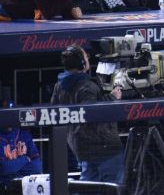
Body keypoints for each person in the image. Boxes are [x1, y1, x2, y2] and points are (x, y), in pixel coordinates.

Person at [50, 45, 124, 184]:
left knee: (88, 188)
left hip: (81, 148)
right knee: (113, 188)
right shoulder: (86, 86)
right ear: (81, 63)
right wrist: (112, 97)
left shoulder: (59, 86)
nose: (88, 59)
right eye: (85, 56)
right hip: (105, 148)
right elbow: (93, 115)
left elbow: (54, 113)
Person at [0, 125, 42, 189]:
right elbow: (3, 168)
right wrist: (25, 159)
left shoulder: (24, 135)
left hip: (27, 185)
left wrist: (10, 172)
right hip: (5, 188)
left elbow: (38, 167)